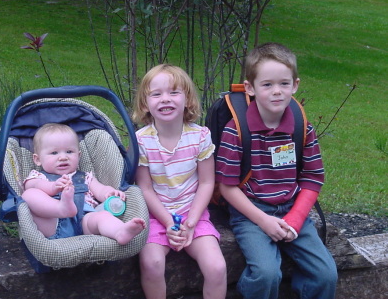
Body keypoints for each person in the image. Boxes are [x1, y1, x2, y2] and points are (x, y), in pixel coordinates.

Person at [216, 43, 338, 299]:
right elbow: (227, 186)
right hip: (251, 212)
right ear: (250, 88)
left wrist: (294, 220)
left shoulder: (302, 127)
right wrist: (263, 220)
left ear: (295, 85)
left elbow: (313, 178)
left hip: (292, 210)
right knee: (266, 274)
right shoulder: (235, 131)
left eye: (284, 84)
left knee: (326, 274)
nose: (276, 92)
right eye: (267, 84)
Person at [133, 64, 227, 299]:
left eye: (174, 92)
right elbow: (144, 187)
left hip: (193, 214)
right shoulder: (141, 141)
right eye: (157, 94)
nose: (166, 99)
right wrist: (167, 222)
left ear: (187, 99)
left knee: (217, 267)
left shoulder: (200, 136)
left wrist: (191, 222)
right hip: (155, 216)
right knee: (152, 263)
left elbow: (207, 183)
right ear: (145, 104)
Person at [21, 123, 146, 245]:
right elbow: (33, 186)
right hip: (53, 222)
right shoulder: (38, 177)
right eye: (54, 153)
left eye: (69, 151)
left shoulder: (85, 177)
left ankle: (120, 232)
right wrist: (54, 187)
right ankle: (61, 208)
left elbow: (100, 190)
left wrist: (109, 192)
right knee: (28, 195)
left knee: (103, 216)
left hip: (85, 221)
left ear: (79, 155)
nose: (63, 157)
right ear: (37, 159)